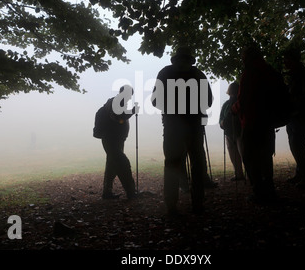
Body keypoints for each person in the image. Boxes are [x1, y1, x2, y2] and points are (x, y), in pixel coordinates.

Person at [151, 46, 213, 215]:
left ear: (175, 59)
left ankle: (171, 205)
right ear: (190, 59)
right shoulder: (198, 74)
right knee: (197, 164)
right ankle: (198, 203)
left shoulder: (165, 73)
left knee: (172, 164)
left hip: (172, 127)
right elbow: (208, 101)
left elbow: (155, 101)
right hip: (194, 126)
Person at [232, 44, 282, 203]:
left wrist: (234, 109)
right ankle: (270, 189)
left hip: (252, 122)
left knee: (249, 157)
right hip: (268, 121)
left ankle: (259, 191)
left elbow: (244, 99)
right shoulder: (270, 71)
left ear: (247, 56)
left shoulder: (250, 73)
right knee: (266, 156)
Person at [283, 48, 305, 188]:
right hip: (296, 116)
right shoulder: (297, 74)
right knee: (297, 146)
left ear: (293, 59)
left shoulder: (301, 75)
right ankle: (301, 174)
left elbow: (304, 97)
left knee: (298, 146)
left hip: (299, 116)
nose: (285, 62)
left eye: (287, 59)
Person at [99, 85, 139, 200]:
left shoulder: (118, 103)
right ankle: (131, 193)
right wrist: (132, 112)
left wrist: (130, 111)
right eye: (129, 95)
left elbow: (120, 117)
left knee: (112, 165)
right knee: (123, 163)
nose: (130, 98)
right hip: (111, 140)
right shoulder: (115, 102)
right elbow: (119, 118)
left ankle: (107, 192)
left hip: (116, 139)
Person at [220, 82, 244, 181]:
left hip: (240, 132)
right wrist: (222, 123)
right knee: (233, 154)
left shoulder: (241, 102)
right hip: (229, 133)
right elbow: (221, 118)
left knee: (243, 154)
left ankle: (251, 174)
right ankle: (239, 174)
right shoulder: (226, 104)